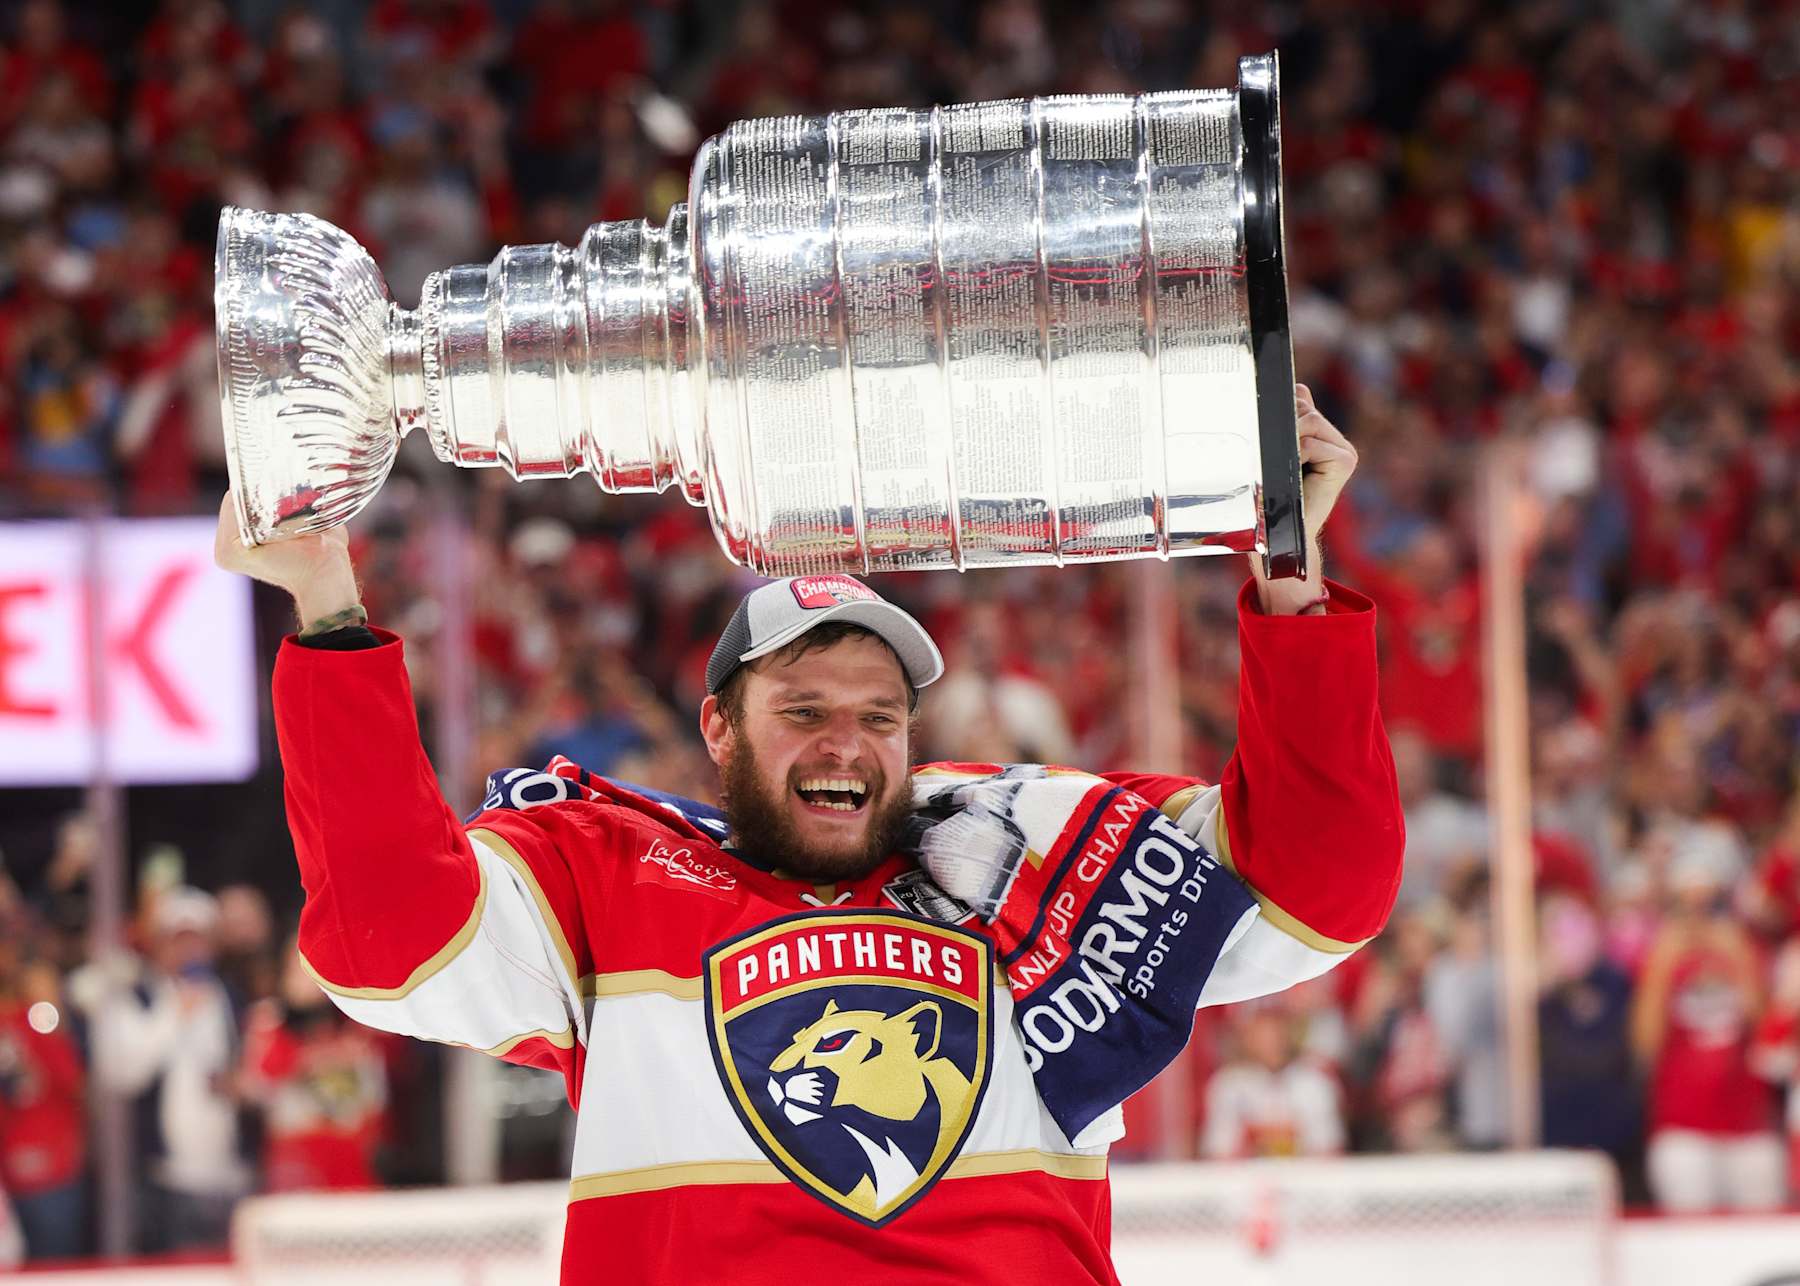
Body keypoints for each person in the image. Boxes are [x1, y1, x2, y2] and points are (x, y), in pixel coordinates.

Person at [214, 385, 1403, 1284]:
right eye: (804, 711)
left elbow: (1318, 889)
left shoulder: (1029, 851)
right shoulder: (609, 872)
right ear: (718, 728)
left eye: (878, 716)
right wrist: (327, 609)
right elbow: (387, 940)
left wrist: (1291, 581)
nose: (847, 743)